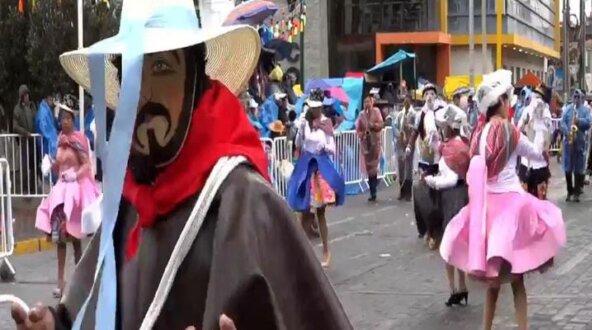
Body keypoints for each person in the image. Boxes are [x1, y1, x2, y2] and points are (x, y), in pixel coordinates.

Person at [10, 1, 352, 328]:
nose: (141, 92)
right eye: (130, 71)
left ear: (196, 83)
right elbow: (87, 312)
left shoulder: (243, 202)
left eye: (160, 68)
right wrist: (55, 324)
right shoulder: (127, 204)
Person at [440, 73, 566, 330]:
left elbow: (473, 163)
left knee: (493, 282)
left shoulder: (479, 131)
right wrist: (543, 150)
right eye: (507, 98)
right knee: (517, 281)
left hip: (485, 208)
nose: (510, 102)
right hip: (511, 207)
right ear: (500, 101)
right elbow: (533, 152)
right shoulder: (510, 130)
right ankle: (523, 328)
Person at [34, 96, 100, 299]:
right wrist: (50, 164)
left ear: (74, 119)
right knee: (60, 240)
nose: (65, 122)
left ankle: (82, 281)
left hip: (74, 196)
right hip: (60, 196)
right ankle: (60, 283)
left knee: (76, 240)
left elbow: (87, 165)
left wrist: (75, 174)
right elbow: (58, 166)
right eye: (62, 118)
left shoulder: (79, 139)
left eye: (69, 118)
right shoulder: (60, 140)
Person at [287, 99, 345, 268]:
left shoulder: (326, 123)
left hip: (319, 168)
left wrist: (323, 148)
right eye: (313, 107)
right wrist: (301, 130)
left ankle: (326, 251)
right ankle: (300, 253)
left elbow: (332, 148)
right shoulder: (304, 122)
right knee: (304, 212)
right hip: (306, 167)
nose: (316, 110)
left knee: (319, 212)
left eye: (318, 107)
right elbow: (299, 144)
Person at [423, 104, 470, 306]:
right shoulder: (460, 145)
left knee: (448, 245)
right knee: (459, 244)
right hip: (463, 196)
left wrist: (430, 181)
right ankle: (462, 287)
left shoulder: (453, 148)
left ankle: (454, 289)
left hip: (451, 198)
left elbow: (448, 179)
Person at [407, 83, 445, 240]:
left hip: (441, 156)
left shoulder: (441, 111)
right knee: (422, 190)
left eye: (432, 93)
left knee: (442, 188)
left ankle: (441, 222)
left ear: (435, 96)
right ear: (423, 97)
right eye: (427, 94)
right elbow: (415, 132)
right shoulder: (420, 114)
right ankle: (424, 225)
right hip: (425, 157)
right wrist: (409, 146)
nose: (429, 96)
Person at [520, 91, 554, 200]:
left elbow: (550, 130)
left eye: (540, 98)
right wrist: (526, 125)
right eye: (536, 97)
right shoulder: (527, 111)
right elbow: (519, 128)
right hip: (528, 160)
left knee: (540, 194)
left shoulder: (546, 113)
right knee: (527, 194)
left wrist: (546, 146)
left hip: (540, 159)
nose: (538, 101)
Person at [560, 90, 592, 202]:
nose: (576, 99)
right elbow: (562, 122)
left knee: (579, 168)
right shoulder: (568, 109)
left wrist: (579, 121)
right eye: (575, 97)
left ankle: (577, 192)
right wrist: (567, 132)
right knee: (568, 168)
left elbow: (588, 123)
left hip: (579, 141)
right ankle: (570, 191)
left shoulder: (585, 110)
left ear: (581, 98)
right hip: (568, 142)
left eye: (578, 97)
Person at [357, 94, 384, 202]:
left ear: (372, 102)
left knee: (374, 166)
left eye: (368, 102)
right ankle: (372, 190)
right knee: (369, 168)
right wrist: (362, 134)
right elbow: (358, 129)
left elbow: (381, 124)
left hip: (375, 143)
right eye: (365, 102)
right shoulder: (361, 114)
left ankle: (374, 190)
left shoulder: (376, 111)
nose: (367, 104)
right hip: (366, 144)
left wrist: (373, 125)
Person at [13, 84, 38, 193]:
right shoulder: (17, 109)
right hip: (24, 141)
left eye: (28, 94)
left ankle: (33, 188)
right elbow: (15, 126)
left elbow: (37, 121)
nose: (27, 97)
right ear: (21, 96)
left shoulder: (33, 107)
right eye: (24, 95)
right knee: (24, 166)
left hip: (33, 141)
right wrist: (25, 133)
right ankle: (24, 188)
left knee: (34, 165)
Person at [393, 96, 416, 201]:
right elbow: (395, 127)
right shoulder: (399, 115)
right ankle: (401, 191)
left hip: (409, 143)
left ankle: (408, 193)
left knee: (408, 167)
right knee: (401, 166)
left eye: (407, 101)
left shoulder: (413, 114)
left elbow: (415, 128)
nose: (405, 103)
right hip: (400, 142)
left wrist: (409, 127)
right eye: (403, 101)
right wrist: (399, 134)